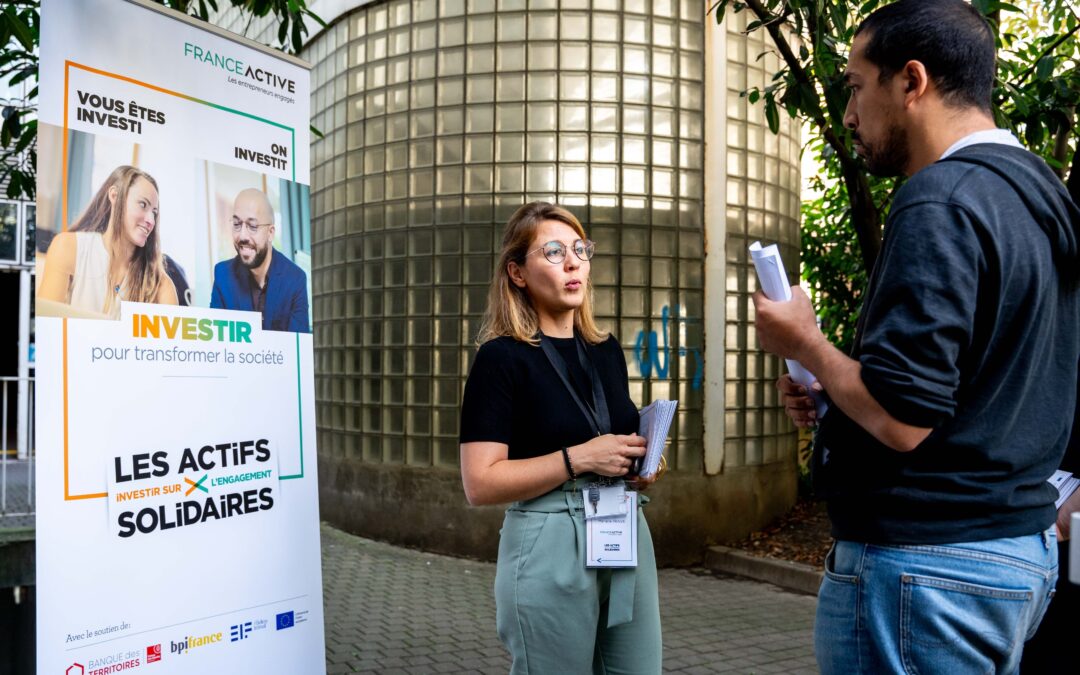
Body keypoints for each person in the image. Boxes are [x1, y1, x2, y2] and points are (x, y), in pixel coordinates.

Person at [753, 1, 1080, 673]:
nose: (848, 115)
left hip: (925, 567)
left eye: (854, 86)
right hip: (1014, 550)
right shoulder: (1042, 197)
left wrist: (807, 343)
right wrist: (837, 393)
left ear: (911, 80)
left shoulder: (942, 199)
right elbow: (983, 387)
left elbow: (903, 419)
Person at [459, 202, 661, 674]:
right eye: (553, 252)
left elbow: (609, 436)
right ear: (517, 273)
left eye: (580, 249)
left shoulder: (606, 351)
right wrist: (580, 458)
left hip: (623, 530)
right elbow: (479, 483)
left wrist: (640, 465)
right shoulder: (500, 358)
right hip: (549, 540)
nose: (573, 263)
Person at [38, 165, 178, 317]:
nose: (151, 221)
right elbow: (47, 322)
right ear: (114, 196)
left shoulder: (161, 285)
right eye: (143, 205)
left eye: (154, 213)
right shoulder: (68, 247)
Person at [210, 188, 309, 332]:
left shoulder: (295, 279)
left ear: (270, 233)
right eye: (237, 224)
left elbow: (297, 342)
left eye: (252, 226)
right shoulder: (223, 275)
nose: (242, 236)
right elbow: (216, 338)